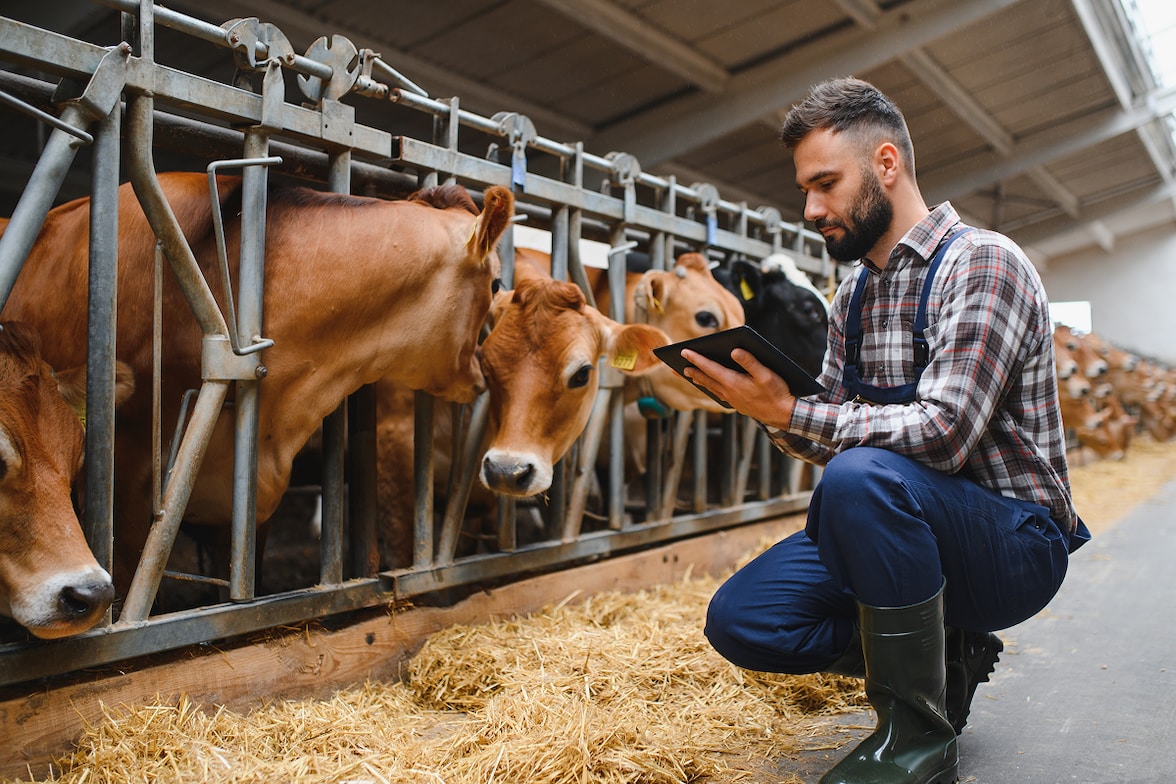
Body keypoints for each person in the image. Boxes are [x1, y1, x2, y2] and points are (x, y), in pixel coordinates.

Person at [681, 77, 1090, 784]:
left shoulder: (982, 263)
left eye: (826, 184)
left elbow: (945, 432)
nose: (811, 209)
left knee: (860, 475)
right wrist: (764, 408)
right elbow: (835, 431)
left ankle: (916, 740)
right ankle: (947, 660)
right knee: (745, 618)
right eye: (805, 189)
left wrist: (791, 413)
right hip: (906, 534)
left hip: (1012, 543)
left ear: (888, 164)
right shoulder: (854, 296)